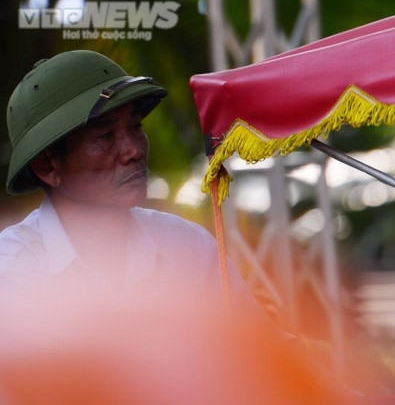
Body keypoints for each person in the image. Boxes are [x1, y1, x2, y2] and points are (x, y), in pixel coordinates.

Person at [2, 50, 246, 304]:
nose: (135, 150)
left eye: (135, 127)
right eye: (105, 136)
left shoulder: (189, 250)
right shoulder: (13, 275)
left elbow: (255, 338)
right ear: (47, 166)